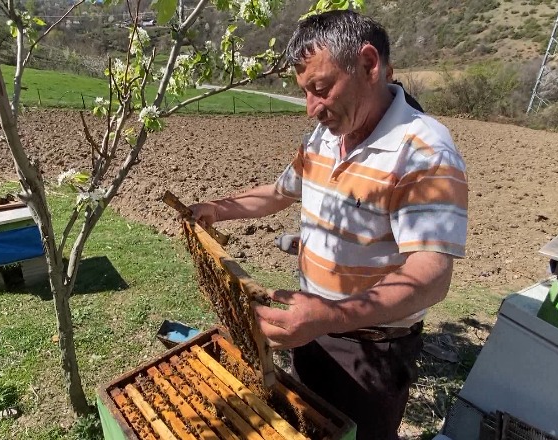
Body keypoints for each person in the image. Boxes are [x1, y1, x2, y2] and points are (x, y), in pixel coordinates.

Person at [190, 10, 467, 440]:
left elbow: (430, 275)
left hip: (372, 353)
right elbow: (281, 192)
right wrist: (217, 208)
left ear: (369, 65)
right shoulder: (324, 137)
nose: (311, 109)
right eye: (305, 93)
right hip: (311, 326)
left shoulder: (424, 150)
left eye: (320, 89)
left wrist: (331, 315)